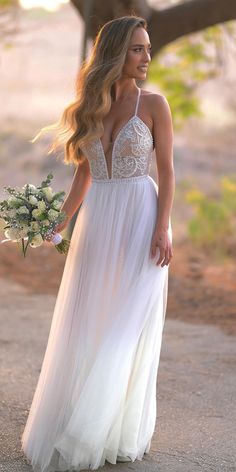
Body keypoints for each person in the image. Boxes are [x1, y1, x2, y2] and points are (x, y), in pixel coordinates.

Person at [21, 15, 175, 472]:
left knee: (124, 324)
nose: (146, 58)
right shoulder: (89, 107)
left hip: (140, 217)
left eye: (147, 49)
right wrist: (58, 224)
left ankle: (105, 428)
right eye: (137, 50)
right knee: (89, 320)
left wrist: (162, 227)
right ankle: (81, 420)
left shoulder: (155, 105)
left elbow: (166, 171)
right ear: (113, 53)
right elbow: (84, 175)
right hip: (99, 221)